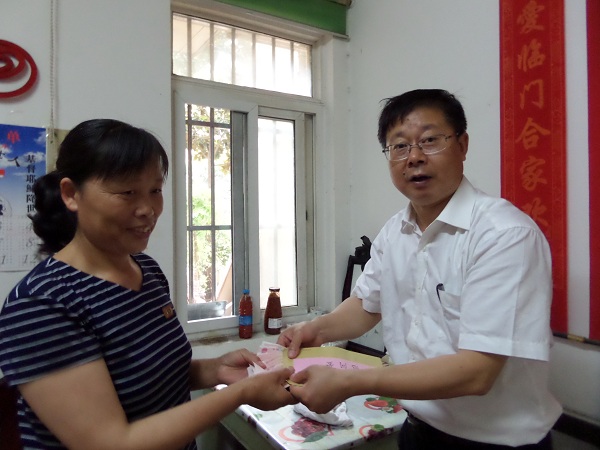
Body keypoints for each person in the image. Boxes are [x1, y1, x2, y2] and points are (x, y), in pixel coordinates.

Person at [279, 89, 562, 449]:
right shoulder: (395, 232)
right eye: (399, 146)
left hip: (496, 443)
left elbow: (477, 372)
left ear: (462, 145)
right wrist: (314, 329)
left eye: (430, 140)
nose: (414, 157)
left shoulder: (504, 235)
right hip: (417, 430)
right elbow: (366, 305)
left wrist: (352, 382)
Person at [0, 119, 296, 450]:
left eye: (155, 191)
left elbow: (149, 375)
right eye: (127, 192)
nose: (148, 210)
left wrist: (215, 370)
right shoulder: (41, 304)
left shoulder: (146, 270)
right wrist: (240, 394)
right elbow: (110, 443)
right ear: (71, 194)